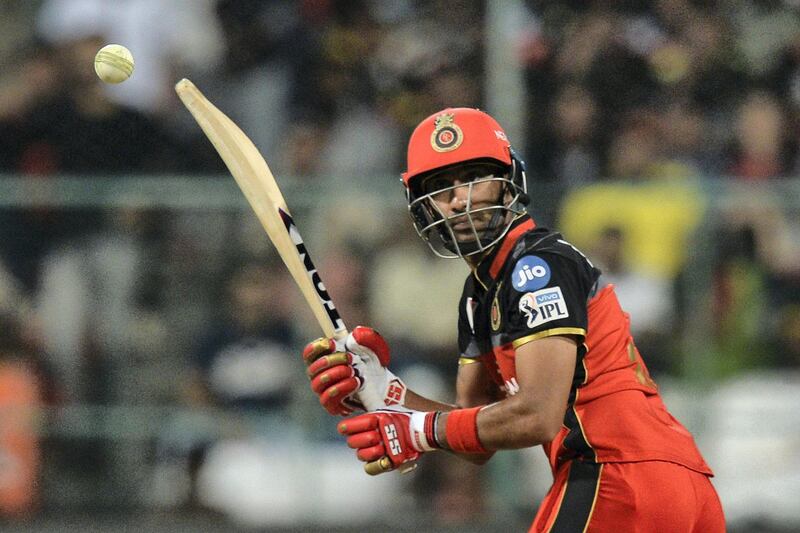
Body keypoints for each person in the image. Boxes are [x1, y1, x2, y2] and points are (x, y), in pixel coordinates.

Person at [302, 108, 725, 531]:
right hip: (668, 480)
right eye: (440, 187)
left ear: (509, 182)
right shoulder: (478, 297)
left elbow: (537, 415)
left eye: (472, 177)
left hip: (618, 472)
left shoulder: (537, 266)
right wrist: (387, 392)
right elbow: (474, 436)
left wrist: (414, 431)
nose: (459, 198)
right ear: (422, 206)